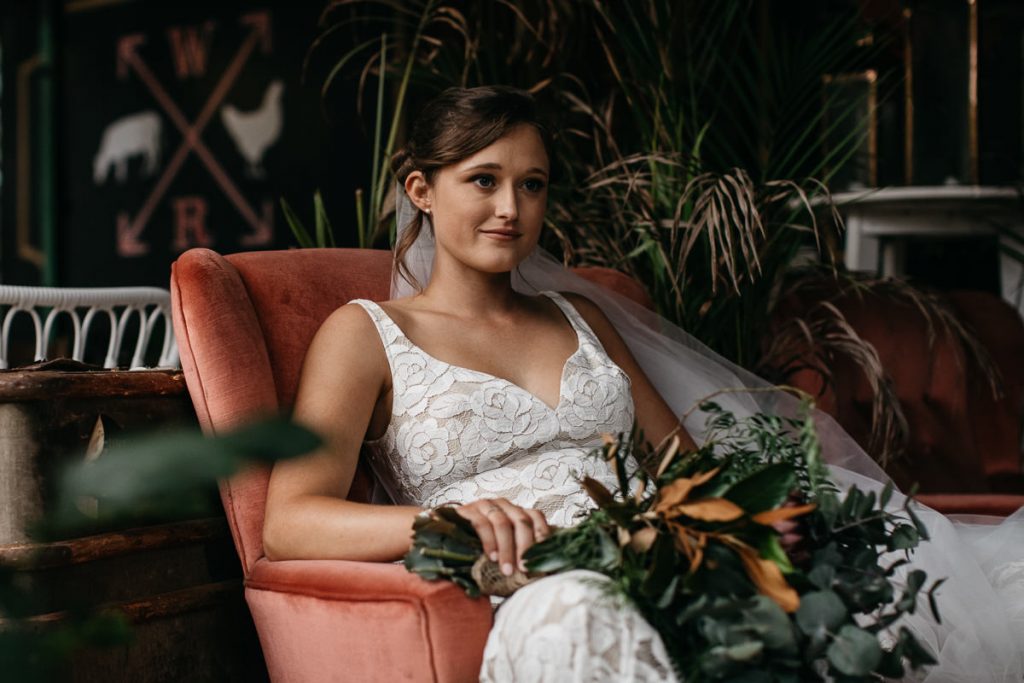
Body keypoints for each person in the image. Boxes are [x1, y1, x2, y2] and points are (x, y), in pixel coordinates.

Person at [263, 85, 1024, 681]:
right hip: (532, 583)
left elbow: (687, 470)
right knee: (582, 615)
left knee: (882, 592)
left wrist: (740, 533)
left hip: (661, 561)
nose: (510, 209)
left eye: (533, 185)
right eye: (483, 180)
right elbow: (289, 521)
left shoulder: (581, 316)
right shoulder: (365, 334)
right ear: (422, 189)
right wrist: (449, 522)